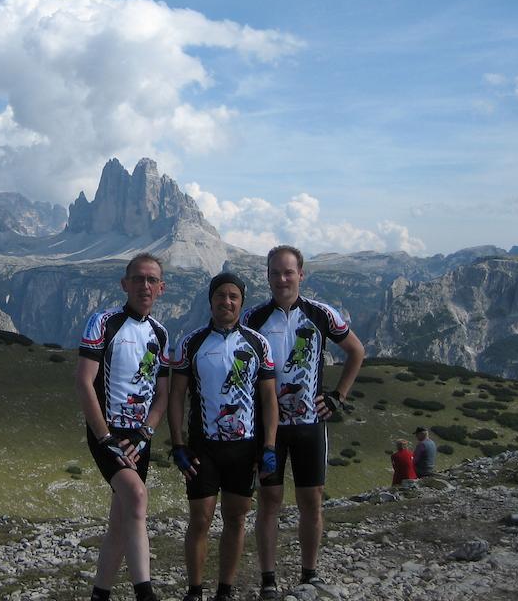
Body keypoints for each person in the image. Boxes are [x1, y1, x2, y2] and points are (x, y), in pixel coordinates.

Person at [242, 245, 365, 598]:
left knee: (312, 500)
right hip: (270, 429)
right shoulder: (252, 317)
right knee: (270, 501)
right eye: (275, 273)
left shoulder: (321, 313)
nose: (282, 279)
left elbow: (356, 351)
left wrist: (338, 396)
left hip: (311, 424)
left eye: (288, 272)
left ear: (301, 275)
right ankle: (268, 580)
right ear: (267, 276)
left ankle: (309, 573)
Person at [168, 272, 280, 601]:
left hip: (244, 449)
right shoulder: (192, 342)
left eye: (233, 296)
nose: (226, 301)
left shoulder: (258, 343)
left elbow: (269, 399)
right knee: (200, 519)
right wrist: (178, 445)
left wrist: (270, 446)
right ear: (211, 300)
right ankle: (194, 591)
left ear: (241, 302)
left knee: (235, 518)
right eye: (220, 295)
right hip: (204, 448)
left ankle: (225, 590)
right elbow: (176, 397)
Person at [75, 253, 173, 601]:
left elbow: (163, 395)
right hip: (107, 431)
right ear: (125, 284)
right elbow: (85, 383)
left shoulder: (160, 333)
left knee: (122, 516)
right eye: (138, 279)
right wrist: (104, 437)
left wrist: (147, 432)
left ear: (161, 288)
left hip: (139, 438)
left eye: (151, 280)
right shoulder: (103, 323)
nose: (144, 286)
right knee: (137, 496)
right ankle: (144, 592)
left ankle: (100, 593)